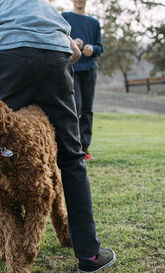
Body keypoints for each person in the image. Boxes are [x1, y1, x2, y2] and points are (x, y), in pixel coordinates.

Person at [0, 0, 115, 273]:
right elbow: (74, 51)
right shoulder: (38, 3)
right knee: (71, 156)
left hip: (12, 59)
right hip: (57, 58)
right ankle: (90, 254)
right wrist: (47, 75)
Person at [62, 0, 104, 160]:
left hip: (89, 71)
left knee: (87, 109)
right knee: (75, 107)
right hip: (71, 69)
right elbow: (58, 38)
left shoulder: (94, 22)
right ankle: (71, 146)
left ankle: (84, 148)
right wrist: (72, 43)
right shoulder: (64, 17)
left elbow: (101, 48)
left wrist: (93, 49)